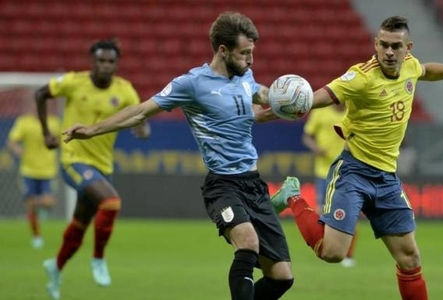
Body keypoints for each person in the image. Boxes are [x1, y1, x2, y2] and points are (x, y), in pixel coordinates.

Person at [61, 12, 294, 300]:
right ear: (223, 50)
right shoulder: (192, 84)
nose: (250, 60)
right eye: (244, 53)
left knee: (282, 277)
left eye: (252, 53)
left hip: (253, 183)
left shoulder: (245, 75)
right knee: (247, 243)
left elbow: (256, 96)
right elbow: (142, 111)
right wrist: (93, 129)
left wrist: (283, 101)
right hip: (222, 185)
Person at [270, 16, 443, 300]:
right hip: (353, 171)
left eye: (395, 46)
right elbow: (325, 95)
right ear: (376, 43)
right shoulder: (361, 77)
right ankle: (293, 197)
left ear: (407, 48)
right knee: (333, 253)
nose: (388, 52)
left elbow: (426, 71)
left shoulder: (409, 65)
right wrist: (285, 105)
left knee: (410, 258)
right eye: (383, 44)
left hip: (386, 179)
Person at [36, 39, 150, 300]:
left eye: (110, 61)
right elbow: (40, 93)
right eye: (101, 61)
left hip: (102, 166)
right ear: (93, 62)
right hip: (73, 160)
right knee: (110, 203)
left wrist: (143, 129)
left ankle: (55, 267)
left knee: (79, 225)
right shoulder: (74, 82)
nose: (105, 66)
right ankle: (98, 259)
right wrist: (46, 133)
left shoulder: (125, 91)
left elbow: (141, 115)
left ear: (116, 64)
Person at [302, 104, 358, 267]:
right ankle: (323, 248)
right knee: (321, 212)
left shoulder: (353, 111)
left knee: (351, 214)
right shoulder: (320, 112)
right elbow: (307, 136)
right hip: (324, 171)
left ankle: (348, 254)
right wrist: (316, 148)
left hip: (347, 170)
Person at [6, 99, 60, 249]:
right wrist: (16, 148)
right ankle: (37, 236)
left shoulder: (54, 123)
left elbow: (61, 141)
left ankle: (37, 204)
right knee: (30, 208)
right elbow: (11, 141)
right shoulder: (24, 122)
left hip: (48, 170)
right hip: (28, 170)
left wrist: (56, 142)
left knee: (48, 202)